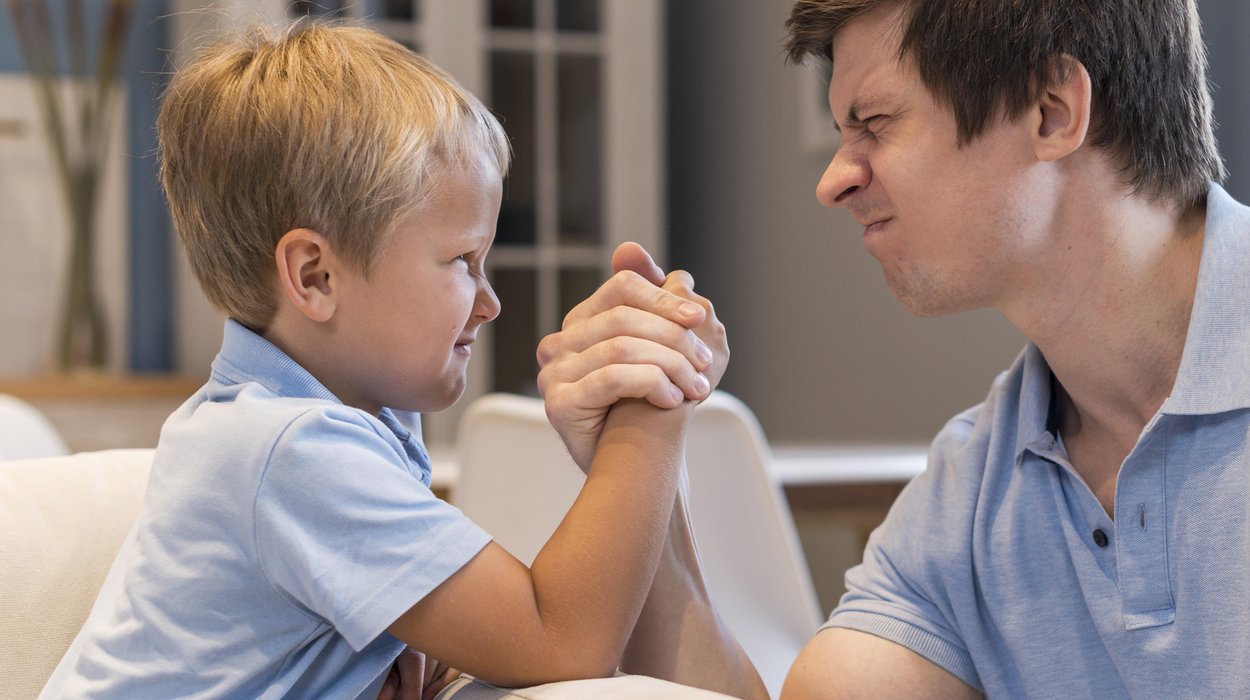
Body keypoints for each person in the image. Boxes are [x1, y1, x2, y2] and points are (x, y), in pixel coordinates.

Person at [39, 21, 765, 700]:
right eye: (462, 261)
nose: (490, 304)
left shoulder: (344, 421)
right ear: (316, 278)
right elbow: (562, 642)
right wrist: (653, 404)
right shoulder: (289, 448)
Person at [765, 0, 1249, 697]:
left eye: (874, 124)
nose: (833, 180)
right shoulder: (971, 493)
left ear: (1051, 111)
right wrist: (646, 450)